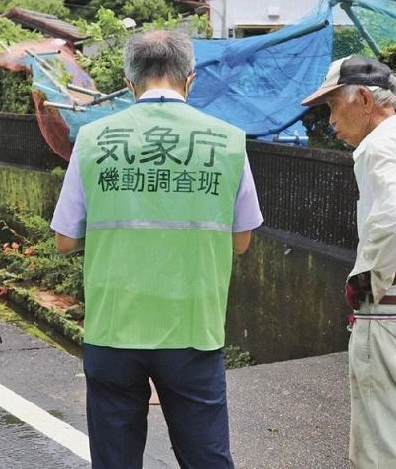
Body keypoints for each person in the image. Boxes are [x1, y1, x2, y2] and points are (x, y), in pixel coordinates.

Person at [52, 29, 263, 468]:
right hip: (192, 326)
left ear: (130, 84)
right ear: (190, 78)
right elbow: (241, 241)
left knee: (116, 458)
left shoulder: (94, 139)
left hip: (114, 325)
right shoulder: (226, 141)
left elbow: (65, 239)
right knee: (206, 457)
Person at [300, 55, 396, 468]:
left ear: (364, 98)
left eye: (334, 105)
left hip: (388, 319)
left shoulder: (376, 148)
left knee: (388, 455)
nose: (331, 119)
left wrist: (367, 278)